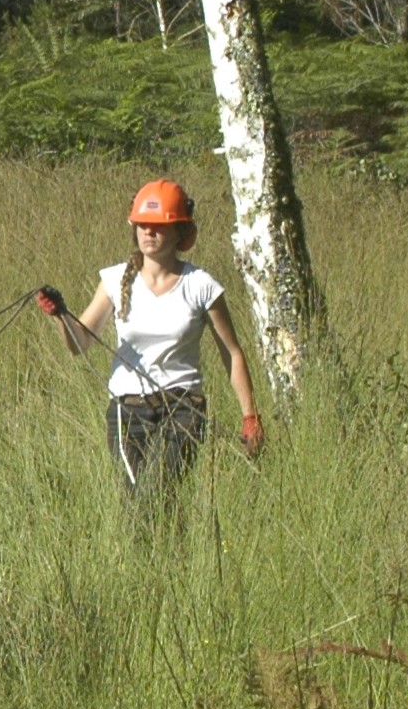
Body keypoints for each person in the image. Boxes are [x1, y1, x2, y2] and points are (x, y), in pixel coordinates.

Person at [35, 179, 264, 504]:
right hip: (126, 412)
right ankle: (169, 552)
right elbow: (79, 343)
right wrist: (60, 315)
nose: (149, 232)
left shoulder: (201, 285)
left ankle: (176, 550)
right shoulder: (114, 280)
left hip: (183, 410)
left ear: (180, 233)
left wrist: (250, 416)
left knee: (154, 495)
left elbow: (232, 354)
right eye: (143, 225)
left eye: (159, 226)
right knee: (137, 503)